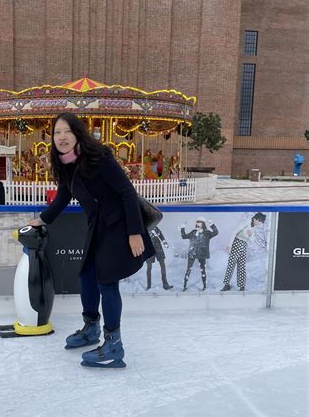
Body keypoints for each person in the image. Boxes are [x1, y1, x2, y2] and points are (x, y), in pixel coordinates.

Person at [29, 112, 155, 369]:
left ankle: (114, 346)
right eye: (56, 132)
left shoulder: (99, 158)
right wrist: (42, 220)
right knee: (87, 276)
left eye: (67, 131)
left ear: (78, 133)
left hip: (118, 228)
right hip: (97, 228)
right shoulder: (66, 164)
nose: (62, 137)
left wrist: (134, 233)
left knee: (107, 283)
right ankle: (91, 329)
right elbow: (63, 197)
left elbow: (127, 193)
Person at [221, 212, 266, 291]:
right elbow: (235, 231)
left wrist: (250, 235)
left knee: (242, 266)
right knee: (231, 264)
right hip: (237, 243)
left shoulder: (254, 227)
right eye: (260, 222)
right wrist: (230, 245)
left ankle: (242, 286)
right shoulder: (247, 222)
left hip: (244, 245)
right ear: (256, 219)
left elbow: (252, 240)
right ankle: (226, 284)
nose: (259, 224)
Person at [180, 219, 219, 291]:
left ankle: (204, 286)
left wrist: (211, 224)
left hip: (202, 253)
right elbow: (184, 236)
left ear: (203, 223)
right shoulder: (193, 232)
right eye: (197, 222)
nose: (198, 223)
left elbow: (216, 232)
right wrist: (182, 227)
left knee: (202, 270)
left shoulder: (207, 233)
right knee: (188, 269)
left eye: (200, 222)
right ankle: (184, 286)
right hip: (193, 252)